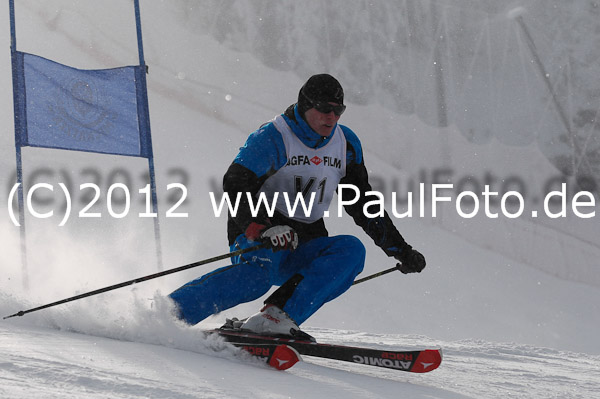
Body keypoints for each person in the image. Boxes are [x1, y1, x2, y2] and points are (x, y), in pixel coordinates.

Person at [169, 74, 426, 340]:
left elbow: (362, 203)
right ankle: (167, 314)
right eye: (325, 109)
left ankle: (274, 318)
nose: (332, 117)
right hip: (261, 231)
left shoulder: (346, 144)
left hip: (305, 238)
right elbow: (235, 183)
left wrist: (401, 250)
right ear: (306, 105)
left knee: (351, 251)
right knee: (255, 279)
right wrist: (259, 227)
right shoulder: (275, 136)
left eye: (338, 111)